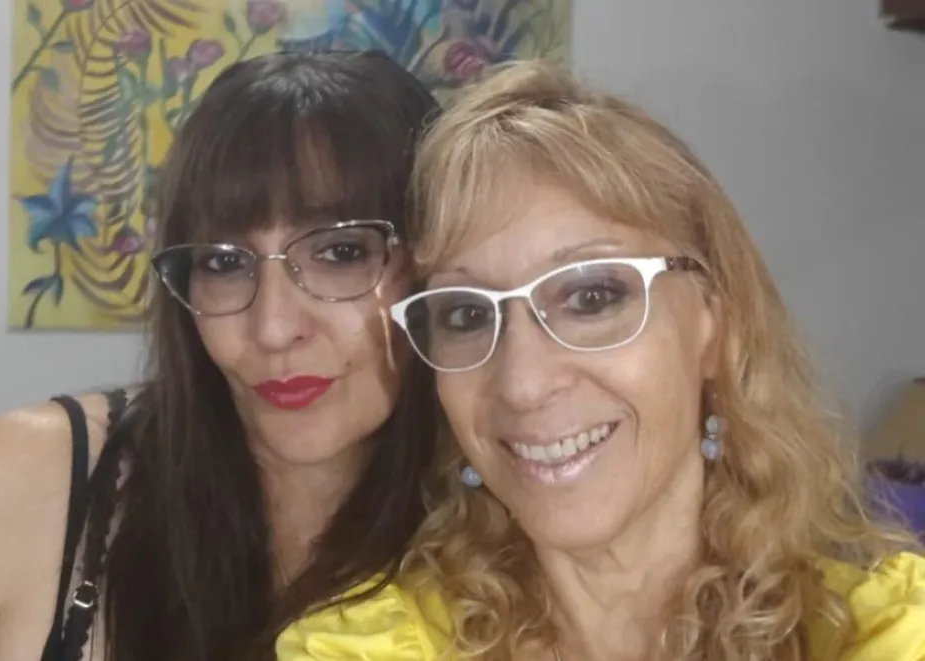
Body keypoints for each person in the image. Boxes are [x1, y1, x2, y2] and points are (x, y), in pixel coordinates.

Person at [276, 61, 925, 660]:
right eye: (468, 314)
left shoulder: (878, 628)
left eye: (591, 297)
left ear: (713, 323)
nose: (523, 383)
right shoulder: (365, 647)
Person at [0, 50, 439, 661]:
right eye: (223, 263)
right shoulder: (19, 483)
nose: (273, 328)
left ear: (435, 268)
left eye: (340, 253)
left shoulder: (502, 546)